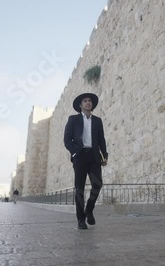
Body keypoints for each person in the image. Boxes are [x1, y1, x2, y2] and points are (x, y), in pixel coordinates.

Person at [64, 93, 108, 229]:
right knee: (80, 189)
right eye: (85, 101)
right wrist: (75, 152)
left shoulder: (97, 121)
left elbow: (101, 139)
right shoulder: (73, 119)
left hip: (94, 157)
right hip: (80, 157)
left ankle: (89, 209)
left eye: (90, 101)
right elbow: (67, 139)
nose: (88, 103)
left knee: (97, 184)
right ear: (80, 105)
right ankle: (80, 219)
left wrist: (104, 155)